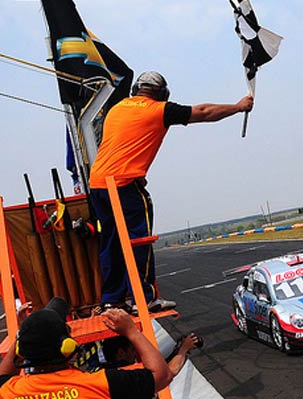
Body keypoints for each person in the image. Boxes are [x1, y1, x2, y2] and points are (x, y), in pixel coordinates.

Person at [89, 71, 254, 312]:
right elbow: (204, 112)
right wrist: (238, 107)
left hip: (99, 186)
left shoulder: (118, 108)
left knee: (112, 243)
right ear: (160, 93)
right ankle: (144, 299)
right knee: (138, 241)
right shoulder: (157, 109)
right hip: (124, 185)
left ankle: (111, 299)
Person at [0, 297, 173, 398]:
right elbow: (162, 375)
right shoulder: (99, 383)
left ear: (20, 352)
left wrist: (23, 334)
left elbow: (3, 375)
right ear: (67, 347)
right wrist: (132, 331)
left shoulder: (9, 391)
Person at [98, 332, 202, 376]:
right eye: (133, 349)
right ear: (121, 353)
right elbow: (166, 374)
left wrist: (176, 351)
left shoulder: (108, 371)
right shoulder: (128, 374)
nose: (136, 352)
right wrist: (183, 349)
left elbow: (158, 368)